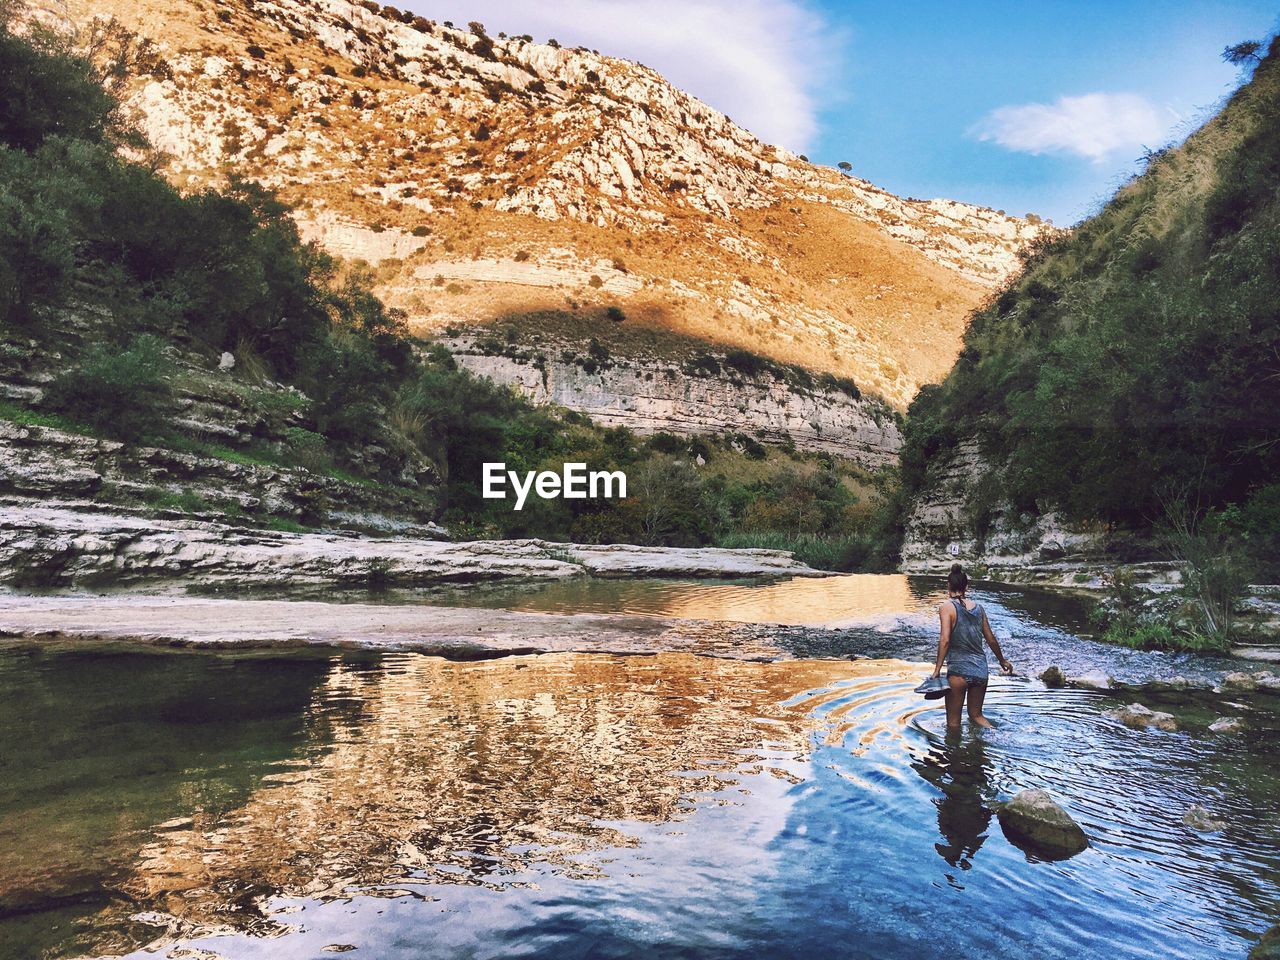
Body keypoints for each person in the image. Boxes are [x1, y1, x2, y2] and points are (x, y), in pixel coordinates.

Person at [930, 563, 1012, 729]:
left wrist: (937, 670)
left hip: (958, 672)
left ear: (948, 585)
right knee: (977, 716)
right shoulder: (979, 608)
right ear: (966, 586)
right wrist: (1002, 660)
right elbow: (991, 639)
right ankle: (997, 734)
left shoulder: (946, 607)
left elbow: (945, 639)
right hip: (980, 670)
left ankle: (955, 754)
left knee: (953, 724)